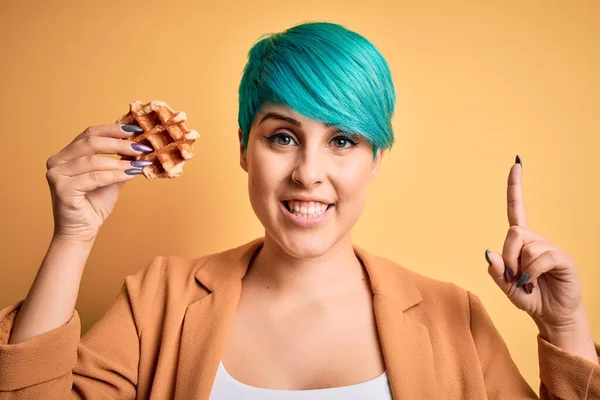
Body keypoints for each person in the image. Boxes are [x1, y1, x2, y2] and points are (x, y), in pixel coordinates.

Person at [0, 21, 598, 400]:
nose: (309, 171)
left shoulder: (454, 320)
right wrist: (73, 237)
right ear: (243, 148)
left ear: (376, 160)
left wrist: (564, 327)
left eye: (343, 141)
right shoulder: (160, 300)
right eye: (282, 136)